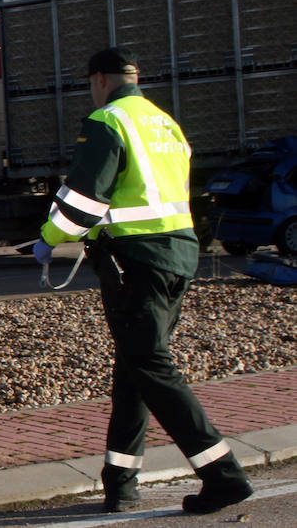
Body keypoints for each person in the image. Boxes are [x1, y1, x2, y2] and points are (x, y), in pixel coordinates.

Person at [34, 47, 253, 514]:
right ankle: (120, 482)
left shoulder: (108, 121)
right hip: (178, 255)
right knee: (134, 368)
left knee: (151, 366)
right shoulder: (164, 122)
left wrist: (50, 236)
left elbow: (83, 202)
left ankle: (223, 475)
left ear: (99, 80)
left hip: (137, 263)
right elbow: (145, 194)